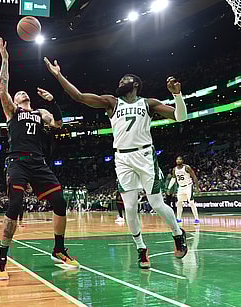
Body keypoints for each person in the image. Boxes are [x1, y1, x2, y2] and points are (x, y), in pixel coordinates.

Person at [44, 57, 188, 269]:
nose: (121, 82)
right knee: (129, 207)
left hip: (145, 155)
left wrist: (177, 95)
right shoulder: (112, 102)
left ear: (136, 84)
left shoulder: (148, 103)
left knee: (157, 204)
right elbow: (79, 96)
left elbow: (180, 117)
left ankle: (178, 233)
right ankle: (141, 248)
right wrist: (58, 75)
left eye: (125, 80)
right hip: (122, 158)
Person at [0, 37, 79, 280]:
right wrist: (6, 59)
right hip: (17, 161)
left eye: (23, 92)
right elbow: (2, 88)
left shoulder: (41, 113)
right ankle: (1, 257)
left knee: (60, 202)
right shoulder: (12, 112)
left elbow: (60, 123)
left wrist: (54, 102)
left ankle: (58, 249)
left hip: (38, 161)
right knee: (15, 204)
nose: (21, 93)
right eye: (18, 93)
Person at [167, 156, 200, 224]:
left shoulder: (187, 167)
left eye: (180, 159)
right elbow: (173, 179)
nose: (178, 160)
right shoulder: (174, 169)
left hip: (188, 186)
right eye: (177, 159)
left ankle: (197, 219)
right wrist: (169, 188)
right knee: (179, 202)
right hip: (181, 187)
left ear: (182, 161)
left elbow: (194, 176)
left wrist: (197, 188)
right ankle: (178, 219)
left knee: (191, 202)